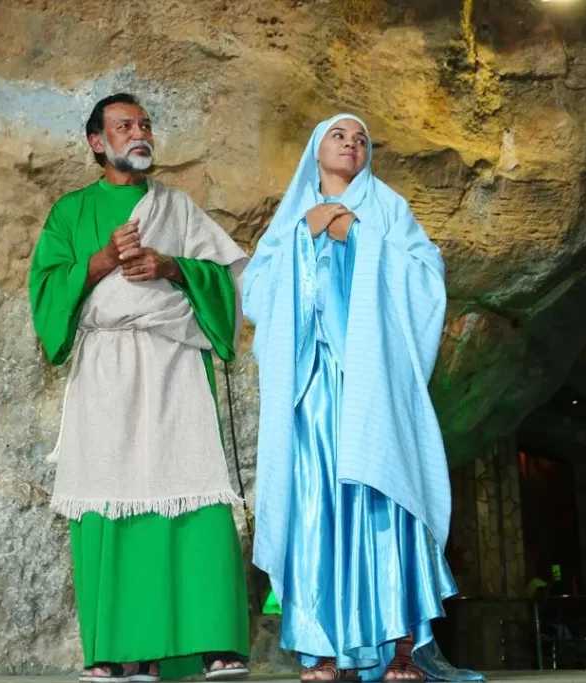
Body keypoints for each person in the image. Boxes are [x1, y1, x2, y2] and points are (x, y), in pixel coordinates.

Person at [242, 114, 483, 683]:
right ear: (315, 149)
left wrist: (357, 234)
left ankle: (402, 650)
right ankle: (320, 649)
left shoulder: (388, 208)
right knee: (314, 505)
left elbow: (427, 275)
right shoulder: (292, 215)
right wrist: (306, 235)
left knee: (385, 501)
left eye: (361, 140)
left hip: (372, 386)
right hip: (312, 388)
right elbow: (256, 289)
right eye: (338, 136)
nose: (351, 144)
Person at [28, 93, 251, 683]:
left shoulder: (178, 208)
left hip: (173, 363)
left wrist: (172, 267)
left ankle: (216, 643)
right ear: (98, 142)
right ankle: (123, 650)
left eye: (145, 124)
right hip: (106, 370)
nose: (139, 133)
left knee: (195, 492)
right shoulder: (70, 213)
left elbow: (227, 283)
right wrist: (100, 261)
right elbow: (47, 294)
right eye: (124, 126)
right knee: (110, 495)